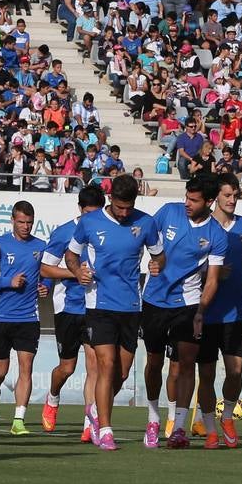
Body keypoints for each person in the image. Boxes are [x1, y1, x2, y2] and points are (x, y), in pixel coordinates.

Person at [66, 174, 165, 451]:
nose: (124, 213)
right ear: (110, 199)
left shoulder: (146, 222)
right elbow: (71, 256)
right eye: (119, 207)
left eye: (128, 208)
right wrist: (77, 271)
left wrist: (157, 266)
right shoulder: (90, 222)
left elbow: (159, 256)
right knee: (106, 365)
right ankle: (106, 430)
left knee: (120, 374)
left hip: (132, 307)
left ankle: (95, 412)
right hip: (99, 305)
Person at [141, 173, 227, 449]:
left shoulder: (217, 235)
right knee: (154, 362)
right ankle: (154, 417)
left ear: (210, 202)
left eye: (194, 200)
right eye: (186, 197)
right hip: (154, 300)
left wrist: (201, 309)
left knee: (186, 363)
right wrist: (153, 262)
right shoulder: (168, 213)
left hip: (188, 303)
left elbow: (212, 278)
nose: (187, 203)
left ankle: (179, 427)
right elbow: (146, 240)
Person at [0, 201, 46, 436]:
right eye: (21, 222)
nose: (26, 226)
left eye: (29, 222)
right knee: (1, 371)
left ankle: (18, 420)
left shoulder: (40, 246)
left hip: (29, 317)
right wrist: (7, 282)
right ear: (12, 221)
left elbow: (47, 274)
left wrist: (45, 286)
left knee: (26, 368)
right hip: (1, 317)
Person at [40, 185, 105, 442]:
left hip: (95, 307)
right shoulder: (64, 232)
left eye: (97, 213)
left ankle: (89, 423)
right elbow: (46, 269)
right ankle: (53, 396)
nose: (93, 219)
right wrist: (76, 272)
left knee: (95, 367)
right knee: (67, 367)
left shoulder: (105, 231)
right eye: (89, 213)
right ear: (80, 209)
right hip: (68, 307)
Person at [196, 172, 242, 449]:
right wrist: (211, 272)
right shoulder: (202, 226)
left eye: (236, 195)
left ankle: (227, 416)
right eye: (228, 195)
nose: (233, 200)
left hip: (235, 314)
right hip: (206, 313)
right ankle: (209, 429)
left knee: (234, 372)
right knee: (206, 374)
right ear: (216, 197)